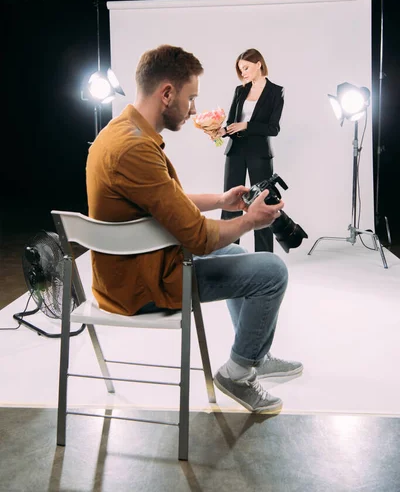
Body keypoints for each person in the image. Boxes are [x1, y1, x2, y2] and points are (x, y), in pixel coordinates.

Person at [86, 45, 302, 414]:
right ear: (167, 93)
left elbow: (163, 199)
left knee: (235, 253)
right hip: (143, 287)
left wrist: (220, 201)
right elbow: (199, 239)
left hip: (128, 273)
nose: (193, 110)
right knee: (272, 271)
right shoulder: (135, 149)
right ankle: (238, 373)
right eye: (190, 98)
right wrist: (250, 220)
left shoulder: (120, 132)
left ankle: (251, 355)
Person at [219, 49, 285, 253]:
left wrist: (247, 125)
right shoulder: (240, 91)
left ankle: (264, 256)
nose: (243, 73)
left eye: (246, 68)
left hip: (260, 154)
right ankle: (229, 253)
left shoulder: (276, 91)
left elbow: (273, 128)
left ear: (259, 64)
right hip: (235, 152)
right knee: (231, 204)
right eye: (240, 70)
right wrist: (220, 131)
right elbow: (232, 123)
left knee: (262, 205)